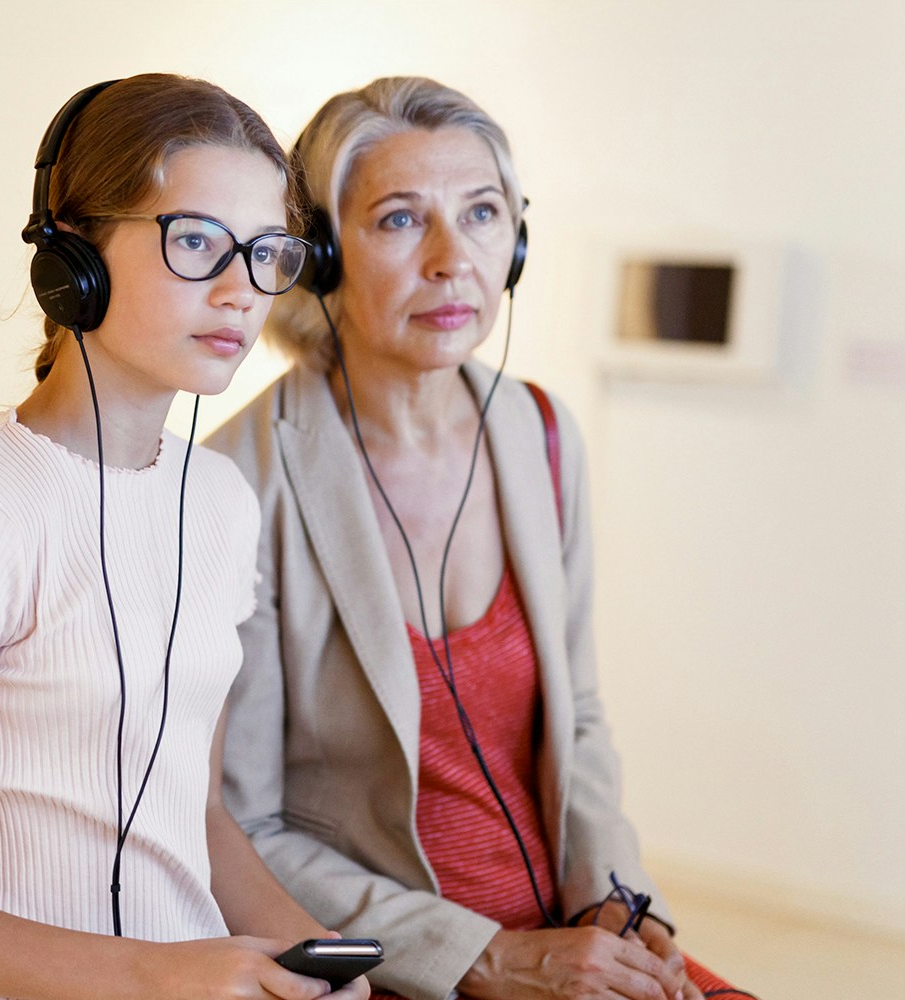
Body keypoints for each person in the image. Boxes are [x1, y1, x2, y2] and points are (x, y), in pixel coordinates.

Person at [0, 74, 370, 1000]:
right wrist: (154, 975)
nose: (241, 292)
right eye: (196, 242)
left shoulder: (222, 499)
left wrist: (315, 951)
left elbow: (194, 813)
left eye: (268, 252)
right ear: (74, 259)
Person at [209, 77, 747, 1000]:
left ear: (518, 243)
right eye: (400, 220)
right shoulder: (236, 484)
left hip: (566, 936)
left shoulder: (542, 433)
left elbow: (577, 719)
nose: (455, 260)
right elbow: (243, 831)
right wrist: (480, 958)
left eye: (484, 213)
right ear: (322, 257)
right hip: (398, 962)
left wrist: (618, 902)